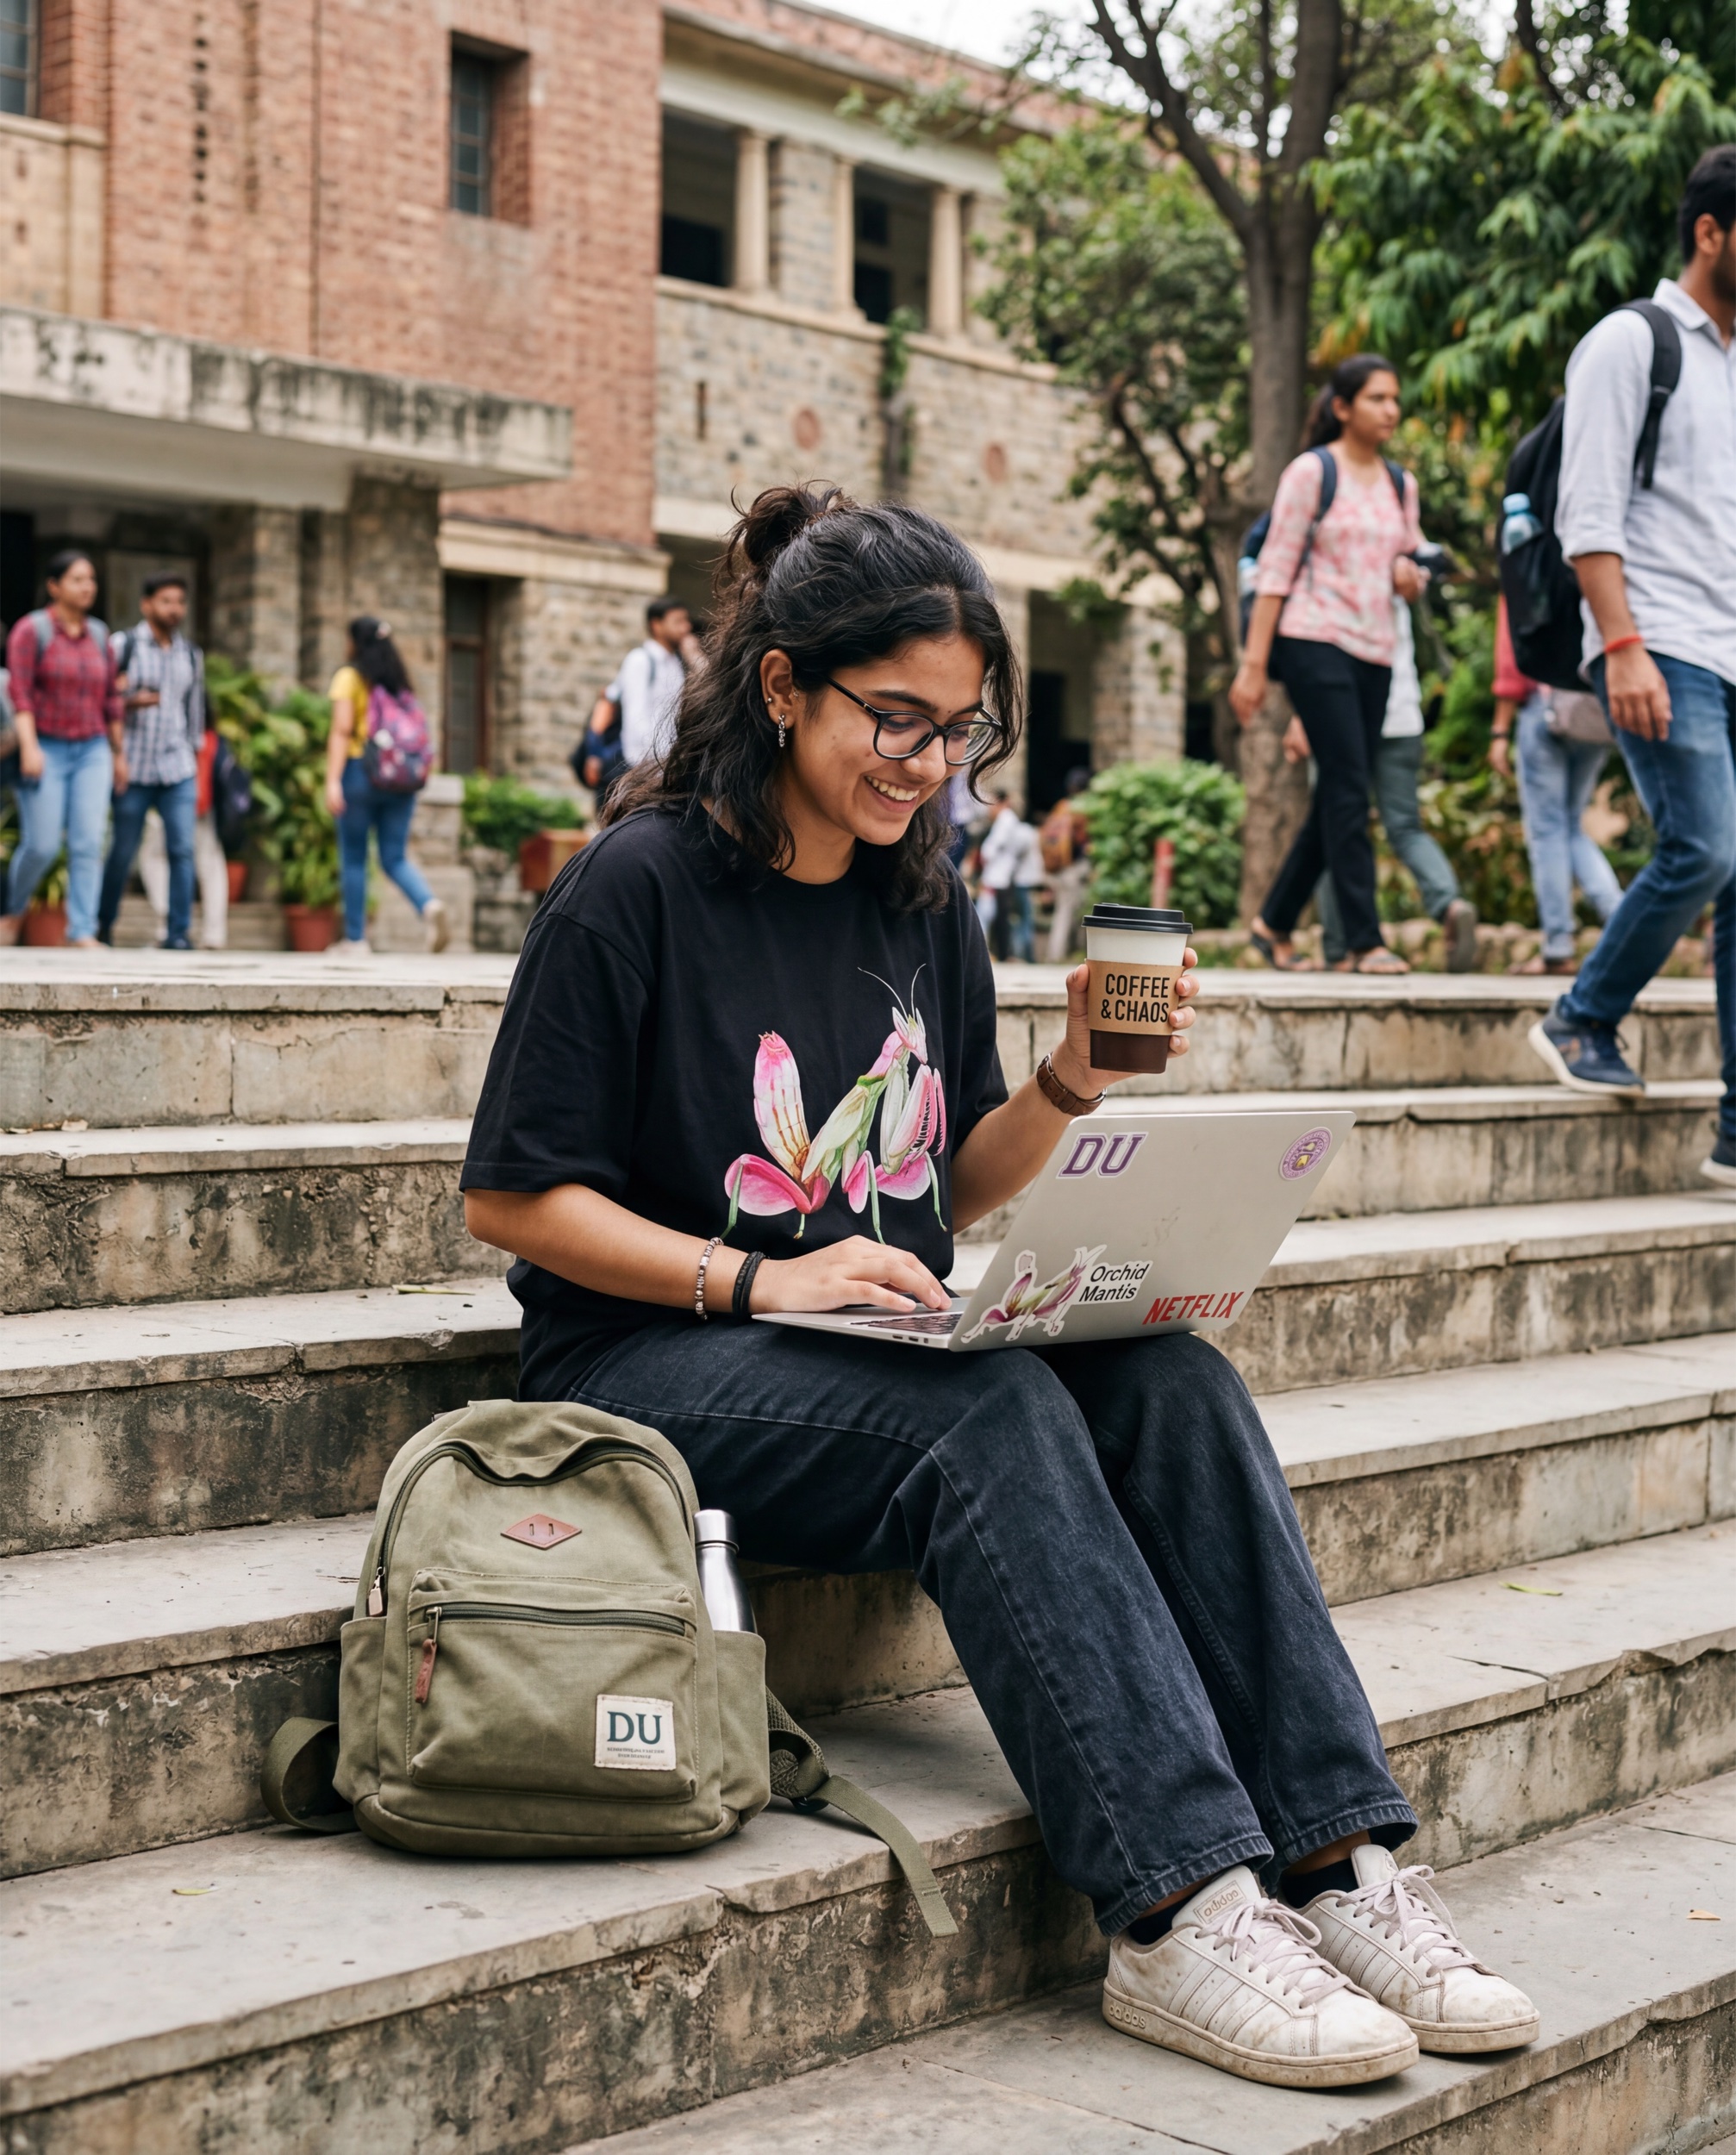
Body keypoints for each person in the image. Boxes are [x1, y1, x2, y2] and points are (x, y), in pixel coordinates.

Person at [460, 481, 1537, 2093]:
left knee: (1169, 1381)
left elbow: (943, 1179)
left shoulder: (919, 896)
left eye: (957, 735)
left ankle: (1334, 1861)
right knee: (989, 1416)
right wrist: (758, 1286)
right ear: (781, 686)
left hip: (865, 1341)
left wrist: (1071, 1084)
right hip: (647, 1359)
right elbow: (509, 1198)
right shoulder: (640, 887)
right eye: (894, 720)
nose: (924, 767)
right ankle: (1175, 1908)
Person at [1530, 146, 1736, 1200]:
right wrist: (1620, 643)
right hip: (1664, 641)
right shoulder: (1631, 340)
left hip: (1731, 648)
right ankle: (1581, 1012)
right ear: (1710, 232)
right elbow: (1588, 508)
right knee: (1702, 848)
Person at [1231, 355, 1425, 976]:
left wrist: (1410, 576)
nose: (1390, 409)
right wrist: (1254, 664)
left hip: (1377, 650)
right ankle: (1364, 942)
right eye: (1376, 398)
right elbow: (1276, 569)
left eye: (1394, 398)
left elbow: (1412, 567)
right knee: (1346, 786)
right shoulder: (1312, 473)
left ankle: (1273, 922)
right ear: (1342, 407)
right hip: (1312, 638)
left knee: (1342, 788)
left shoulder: (1401, 484)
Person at [1313, 587, 1479, 971]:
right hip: (1403, 716)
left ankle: (1339, 948)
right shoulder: (1401, 560)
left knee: (1333, 825)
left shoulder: (1334, 576)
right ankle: (1449, 902)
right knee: (1405, 827)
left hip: (1343, 721)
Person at [1489, 596, 1623, 978]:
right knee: (1571, 826)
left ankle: (1557, 946)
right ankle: (1620, 917)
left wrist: (1500, 730)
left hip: (1545, 712)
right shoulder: (1596, 572)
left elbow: (1510, 659)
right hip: (1593, 714)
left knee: (1547, 830)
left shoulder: (1530, 565)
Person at [0, 550, 121, 949]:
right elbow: (20, 693)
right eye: (77, 579)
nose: (88, 587)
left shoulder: (101, 635)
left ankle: (82, 930)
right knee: (43, 843)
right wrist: (30, 747)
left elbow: (111, 701)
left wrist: (119, 753)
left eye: (91, 580)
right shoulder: (31, 631)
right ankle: (13, 911)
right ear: (54, 586)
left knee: (88, 841)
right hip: (45, 744)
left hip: (92, 748)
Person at [322, 615, 448, 955]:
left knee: (354, 858)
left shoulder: (350, 677)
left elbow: (341, 730)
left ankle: (355, 940)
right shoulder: (399, 682)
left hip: (360, 771)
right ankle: (428, 905)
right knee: (394, 857)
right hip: (400, 779)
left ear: (354, 642)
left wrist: (332, 781)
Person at [95, 572, 205, 951]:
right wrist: (128, 703)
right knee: (123, 851)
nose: (174, 609)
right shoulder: (122, 646)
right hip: (133, 766)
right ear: (147, 605)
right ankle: (103, 926)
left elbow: (195, 712)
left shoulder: (190, 653)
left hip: (177, 767)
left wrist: (196, 760)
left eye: (180, 602)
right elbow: (103, 701)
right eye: (166, 601)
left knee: (182, 849)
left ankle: (178, 934)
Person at [581, 597, 692, 799]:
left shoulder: (676, 663)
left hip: (664, 769)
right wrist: (648, 772)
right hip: (639, 771)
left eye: (686, 621)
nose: (685, 628)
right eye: (677, 622)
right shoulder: (640, 660)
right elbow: (636, 719)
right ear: (656, 625)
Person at [138, 728, 233, 950]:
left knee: (154, 858)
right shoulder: (213, 739)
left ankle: (169, 924)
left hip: (181, 805)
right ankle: (213, 934)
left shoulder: (182, 736)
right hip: (202, 809)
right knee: (210, 868)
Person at [977, 789, 1040, 962]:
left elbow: (991, 849)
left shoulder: (1006, 820)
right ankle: (999, 952)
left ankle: (1001, 953)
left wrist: (986, 857)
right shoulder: (1007, 821)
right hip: (1000, 876)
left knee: (998, 918)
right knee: (998, 917)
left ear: (999, 802)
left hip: (999, 877)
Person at [1040, 765, 1094, 963]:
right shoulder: (1084, 811)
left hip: (1059, 869)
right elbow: (1086, 843)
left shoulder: (1061, 806)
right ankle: (1057, 956)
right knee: (1067, 913)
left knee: (1064, 912)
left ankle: (1061, 953)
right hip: (1074, 869)